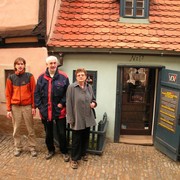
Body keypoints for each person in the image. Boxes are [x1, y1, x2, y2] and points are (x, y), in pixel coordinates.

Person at [34, 55, 70, 161]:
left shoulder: (64, 77)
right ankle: (51, 150)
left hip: (59, 110)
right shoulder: (41, 78)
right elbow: (36, 94)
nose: (53, 65)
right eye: (51, 63)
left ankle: (64, 151)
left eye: (54, 63)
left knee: (62, 133)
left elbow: (67, 93)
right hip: (45, 111)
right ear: (47, 65)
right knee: (48, 133)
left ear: (57, 64)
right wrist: (40, 107)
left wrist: (62, 103)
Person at [5, 57, 37, 157]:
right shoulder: (11, 78)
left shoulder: (29, 76)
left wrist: (33, 107)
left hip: (27, 106)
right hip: (15, 107)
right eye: (18, 64)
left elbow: (33, 92)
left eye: (22, 64)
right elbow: (8, 94)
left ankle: (32, 147)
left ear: (24, 65)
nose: (20, 66)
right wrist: (8, 109)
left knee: (30, 128)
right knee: (16, 128)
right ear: (15, 66)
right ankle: (18, 147)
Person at [66, 68, 97, 169]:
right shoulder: (71, 87)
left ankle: (83, 153)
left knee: (85, 137)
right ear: (76, 77)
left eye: (82, 75)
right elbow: (69, 104)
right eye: (78, 75)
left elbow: (93, 99)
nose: (80, 76)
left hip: (87, 116)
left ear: (85, 76)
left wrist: (94, 103)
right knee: (76, 139)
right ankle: (74, 159)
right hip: (77, 117)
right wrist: (70, 118)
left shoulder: (89, 87)